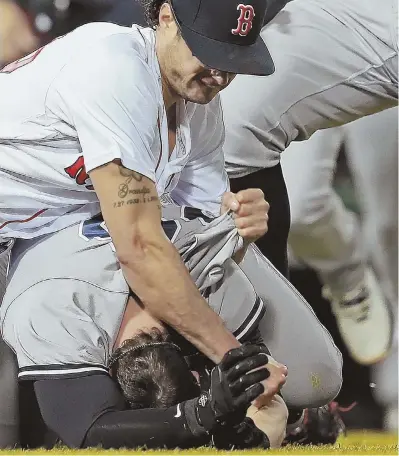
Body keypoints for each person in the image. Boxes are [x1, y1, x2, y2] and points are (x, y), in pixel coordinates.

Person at [0, 0, 277, 447]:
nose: (222, 76)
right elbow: (141, 248)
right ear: (166, 17)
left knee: (311, 375)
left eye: (234, 60)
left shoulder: (196, 99)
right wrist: (233, 363)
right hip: (35, 238)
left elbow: (196, 243)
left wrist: (236, 227)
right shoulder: (115, 68)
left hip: (53, 236)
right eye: (211, 52)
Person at [1, 202, 343, 448]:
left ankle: (306, 416)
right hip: (43, 228)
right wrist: (211, 416)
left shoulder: (208, 283)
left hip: (199, 239)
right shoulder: (49, 311)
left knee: (315, 382)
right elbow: (90, 429)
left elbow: (259, 378)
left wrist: (227, 414)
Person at [219, 0, 397, 362]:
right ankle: (346, 273)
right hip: (309, 15)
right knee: (299, 204)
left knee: (392, 224)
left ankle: (395, 393)